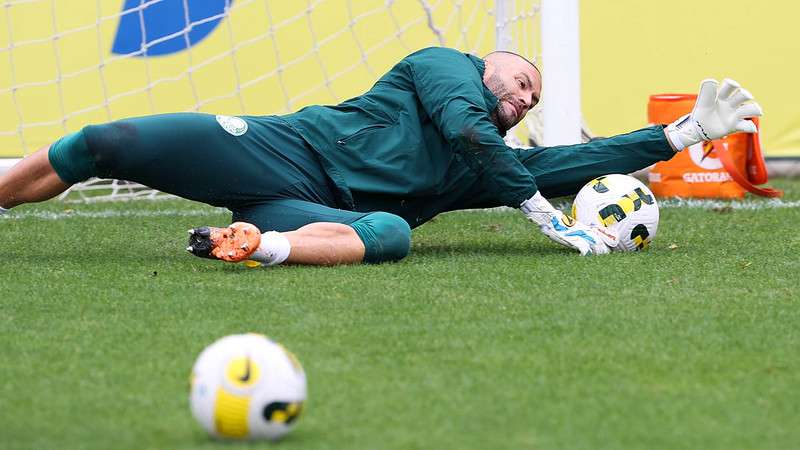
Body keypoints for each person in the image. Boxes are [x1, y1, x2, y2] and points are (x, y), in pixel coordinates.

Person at [0, 47, 761, 266]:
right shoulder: (442, 68)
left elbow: (563, 162)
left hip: (309, 214)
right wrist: (538, 213)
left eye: (533, 98)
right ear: (486, 66)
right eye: (521, 83)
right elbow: (471, 130)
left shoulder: (478, 167)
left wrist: (680, 135)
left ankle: (255, 246)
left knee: (392, 237)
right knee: (107, 142)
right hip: (274, 152)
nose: (526, 99)